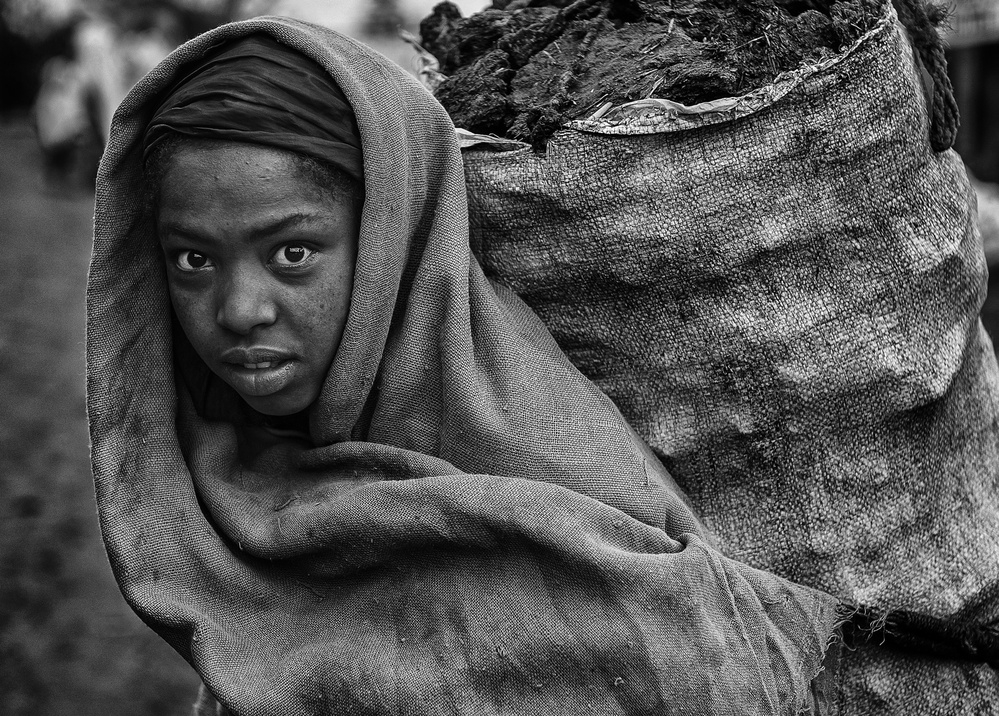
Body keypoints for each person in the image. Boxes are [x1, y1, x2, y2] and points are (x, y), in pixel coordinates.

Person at [87, 18, 844, 715]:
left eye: (293, 252)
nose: (239, 309)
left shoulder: (539, 452)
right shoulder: (223, 467)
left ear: (391, 234)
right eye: (193, 259)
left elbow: (711, 664)